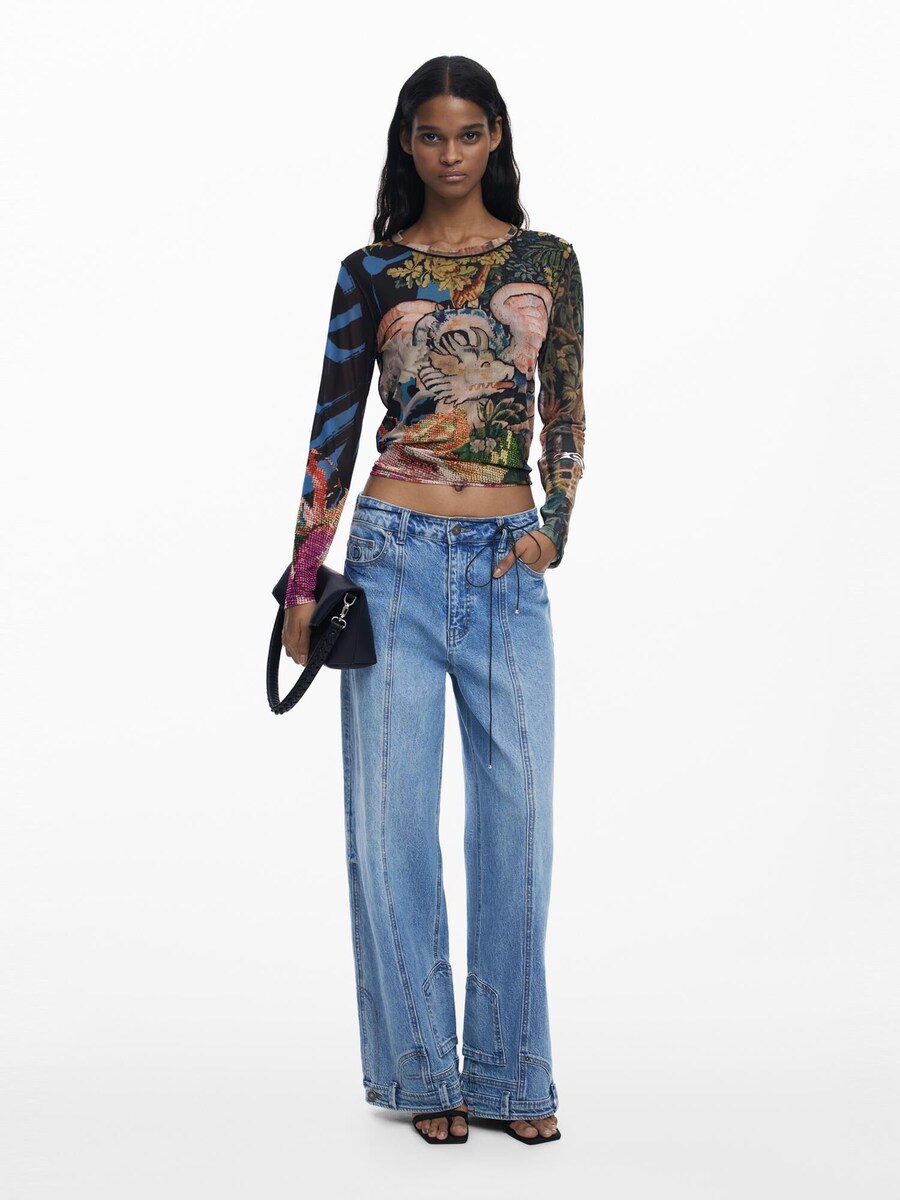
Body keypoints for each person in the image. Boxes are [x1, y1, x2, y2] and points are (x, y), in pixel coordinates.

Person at [282, 55, 584, 1146]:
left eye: (467, 133)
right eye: (429, 134)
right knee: (393, 820)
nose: (449, 154)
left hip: (507, 564)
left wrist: (555, 525)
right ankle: (422, 1071)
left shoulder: (547, 263)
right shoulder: (369, 272)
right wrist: (304, 579)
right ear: (406, 143)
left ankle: (511, 1072)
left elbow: (566, 410)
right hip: (392, 557)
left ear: (495, 135)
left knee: (519, 820)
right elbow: (331, 432)